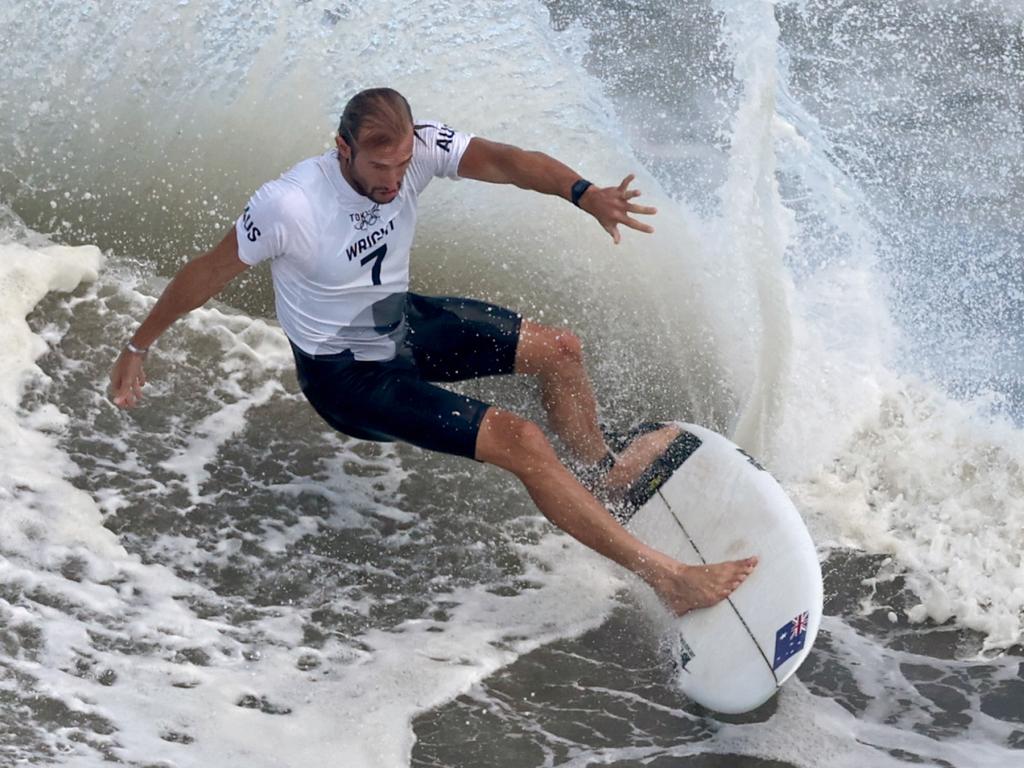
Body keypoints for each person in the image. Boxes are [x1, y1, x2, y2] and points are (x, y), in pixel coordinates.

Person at [108, 87, 756, 616]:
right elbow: (208, 270)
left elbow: (505, 160)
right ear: (342, 149)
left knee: (559, 349)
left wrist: (585, 195)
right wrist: (138, 346)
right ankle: (667, 578)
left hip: (399, 321)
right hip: (347, 377)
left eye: (401, 166)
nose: (393, 181)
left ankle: (602, 475)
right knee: (523, 442)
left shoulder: (420, 150)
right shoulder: (290, 205)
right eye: (376, 167)